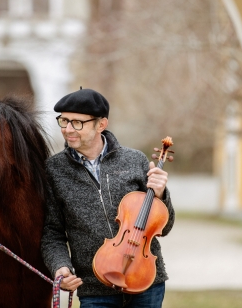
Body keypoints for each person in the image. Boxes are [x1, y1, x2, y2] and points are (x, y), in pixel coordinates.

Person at [41, 87, 175, 308]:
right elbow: (52, 232)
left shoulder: (135, 160)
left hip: (145, 280)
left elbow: (164, 227)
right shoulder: (54, 170)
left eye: (77, 123)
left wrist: (161, 195)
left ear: (101, 124)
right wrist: (60, 267)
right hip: (94, 288)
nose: (68, 129)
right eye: (63, 121)